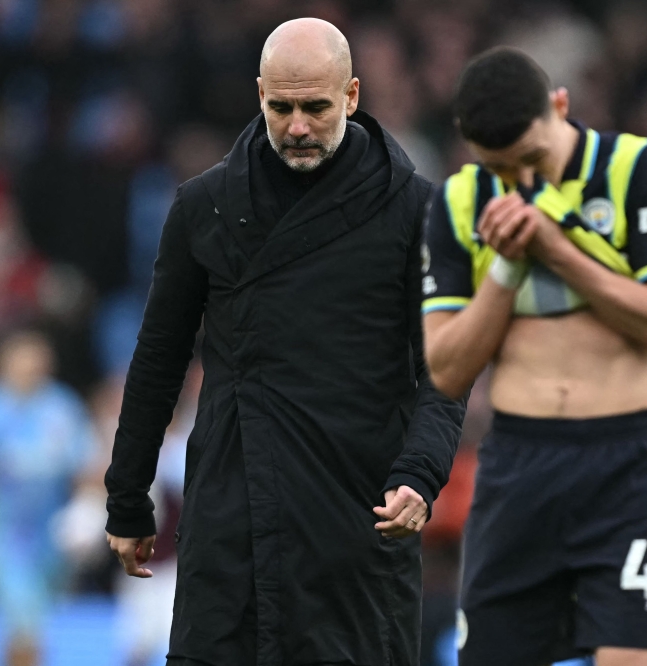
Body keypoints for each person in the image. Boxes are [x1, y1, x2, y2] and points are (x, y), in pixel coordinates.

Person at [103, 18, 465, 666]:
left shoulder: (417, 212)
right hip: (231, 522)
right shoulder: (204, 206)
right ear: (259, 96)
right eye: (282, 107)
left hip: (357, 527)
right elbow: (159, 358)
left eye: (316, 107)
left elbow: (445, 365)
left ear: (352, 97)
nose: (297, 126)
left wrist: (421, 471)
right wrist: (128, 497)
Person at [422, 48, 647, 666]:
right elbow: (445, 370)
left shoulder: (638, 169)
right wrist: (505, 268)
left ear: (560, 106)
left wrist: (557, 249)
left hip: (629, 470)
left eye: (531, 160)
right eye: (499, 169)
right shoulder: (458, 205)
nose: (520, 183)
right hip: (519, 469)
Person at [0, 331, 97, 666]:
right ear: (2, 365)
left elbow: (88, 466)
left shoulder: (63, 408)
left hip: (52, 539)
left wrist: (87, 506)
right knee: (24, 623)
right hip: (3, 538)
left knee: (31, 627)